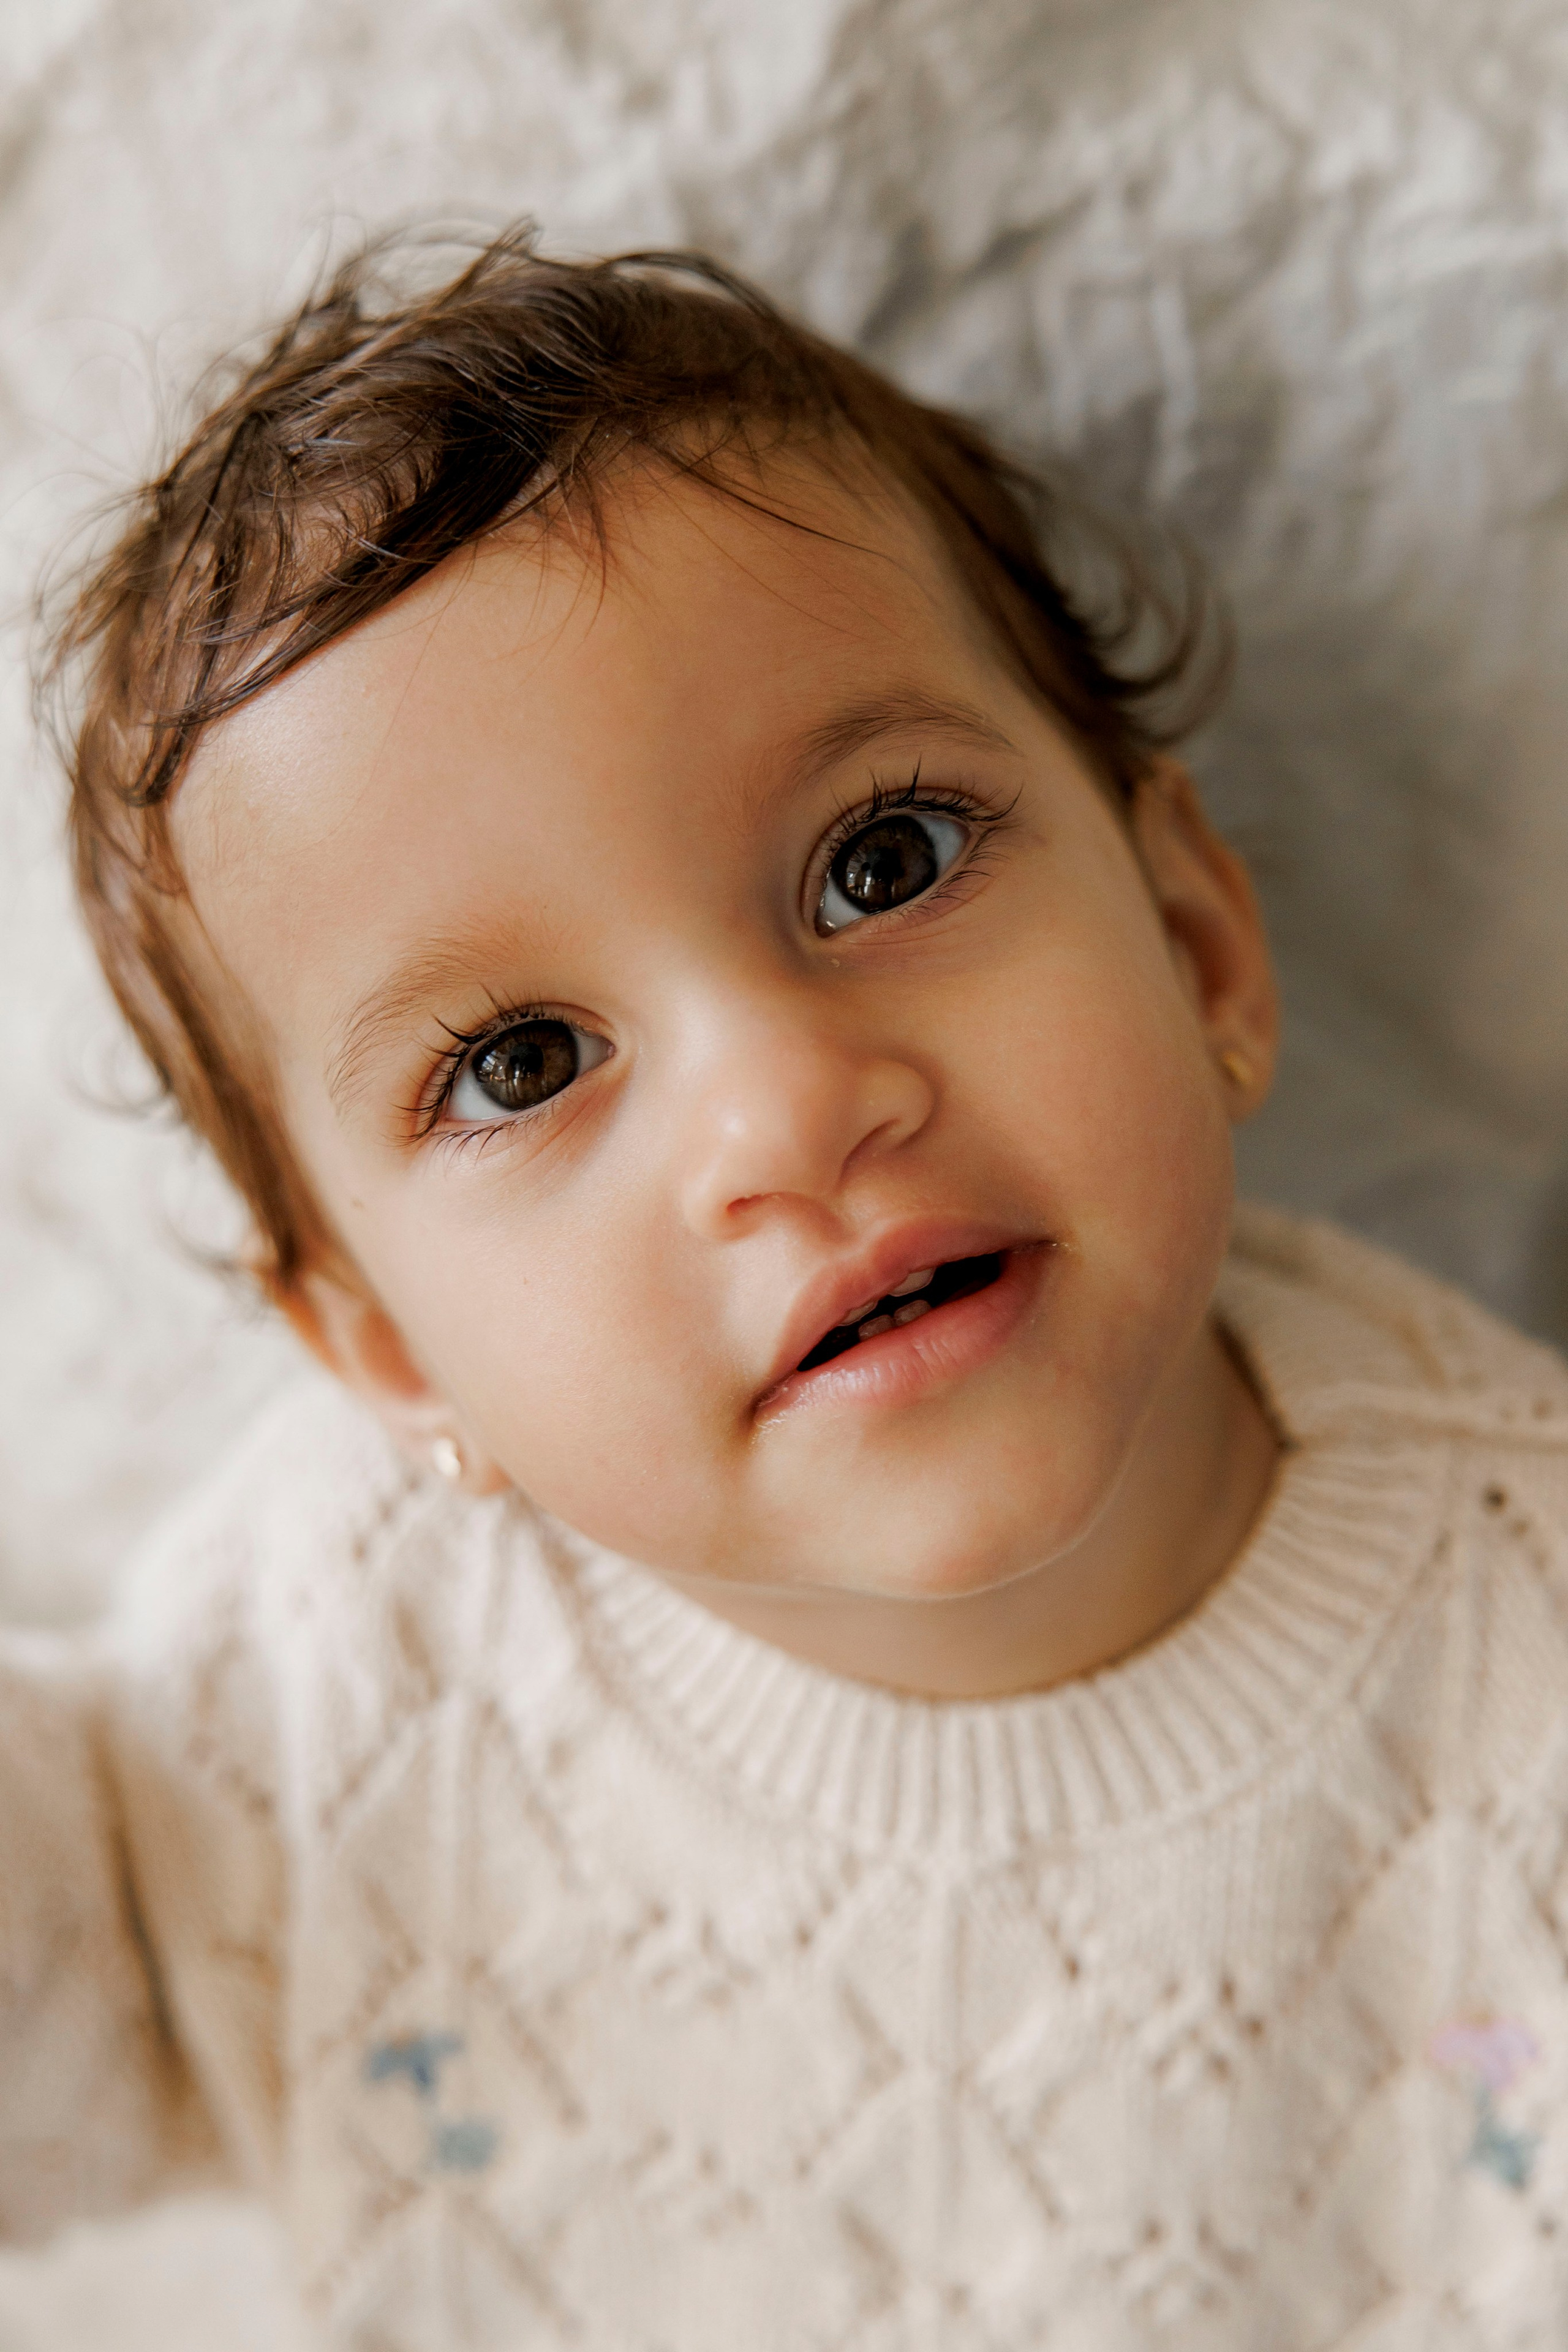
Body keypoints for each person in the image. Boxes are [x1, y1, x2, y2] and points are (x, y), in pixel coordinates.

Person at [7, 225, 1568, 2350]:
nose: (786, 1116)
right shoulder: (337, 1658)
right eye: (523, 1064)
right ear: (383, 1347)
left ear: (1201, 941)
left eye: (885, 859)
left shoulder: (1528, 1653)